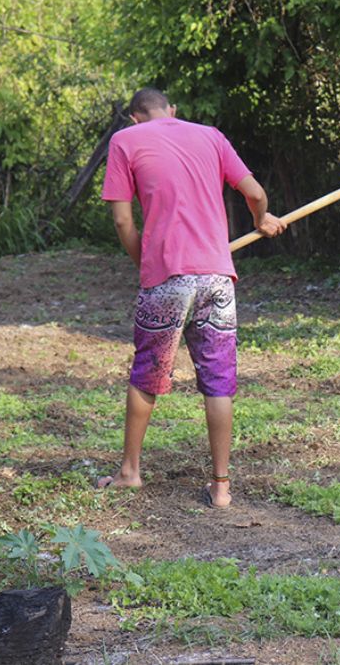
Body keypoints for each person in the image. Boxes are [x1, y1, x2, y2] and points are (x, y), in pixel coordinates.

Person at [97, 88, 286, 507]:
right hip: (218, 276)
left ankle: (130, 471)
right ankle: (221, 487)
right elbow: (254, 193)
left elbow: (123, 221)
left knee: (148, 373)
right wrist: (262, 219)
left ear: (133, 118)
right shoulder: (211, 135)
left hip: (167, 276)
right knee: (219, 381)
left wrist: (146, 265)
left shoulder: (125, 140)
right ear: (173, 111)